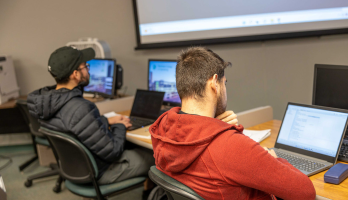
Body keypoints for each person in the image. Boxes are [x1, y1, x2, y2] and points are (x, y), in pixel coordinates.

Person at [149, 47, 316, 200]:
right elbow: (305, 192)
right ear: (215, 83)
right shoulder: (230, 146)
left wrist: (212, 126)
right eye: (224, 83)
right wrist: (274, 159)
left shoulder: (162, 129)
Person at [27, 46, 155, 190]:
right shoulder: (81, 107)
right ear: (75, 74)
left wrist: (106, 121)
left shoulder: (47, 103)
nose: (88, 70)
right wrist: (120, 126)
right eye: (85, 66)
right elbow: (113, 152)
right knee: (157, 157)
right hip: (100, 172)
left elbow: (74, 126)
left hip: (76, 168)